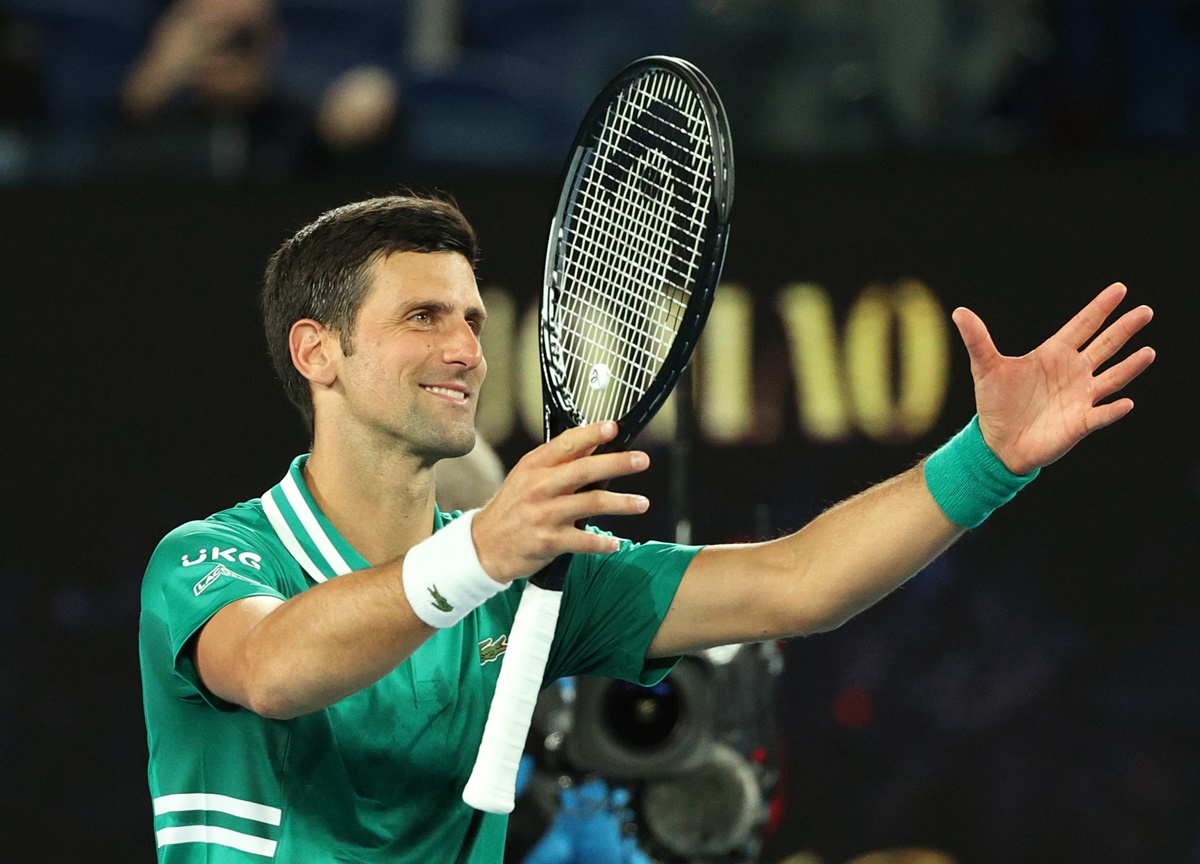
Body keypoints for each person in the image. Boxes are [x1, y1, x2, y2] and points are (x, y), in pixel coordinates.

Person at [138, 193, 1155, 863]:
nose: (465, 349)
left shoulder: (530, 571)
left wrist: (986, 459)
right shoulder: (211, 559)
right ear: (318, 351)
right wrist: (482, 551)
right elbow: (272, 670)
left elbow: (795, 583)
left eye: (471, 321)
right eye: (422, 318)